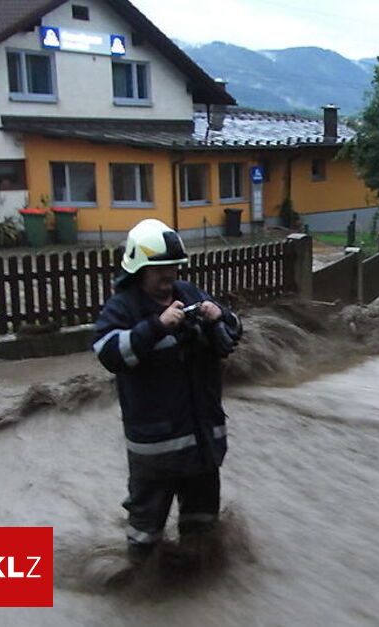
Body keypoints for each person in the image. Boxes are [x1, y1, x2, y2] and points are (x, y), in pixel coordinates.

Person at [92, 219, 241, 564]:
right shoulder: (123, 307)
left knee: (203, 527)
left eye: (172, 266)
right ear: (138, 269)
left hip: (203, 443)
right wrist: (156, 327)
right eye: (159, 269)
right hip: (156, 452)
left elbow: (234, 333)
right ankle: (140, 584)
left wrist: (220, 316)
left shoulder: (189, 293)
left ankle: (200, 581)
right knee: (145, 533)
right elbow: (109, 354)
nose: (168, 275)